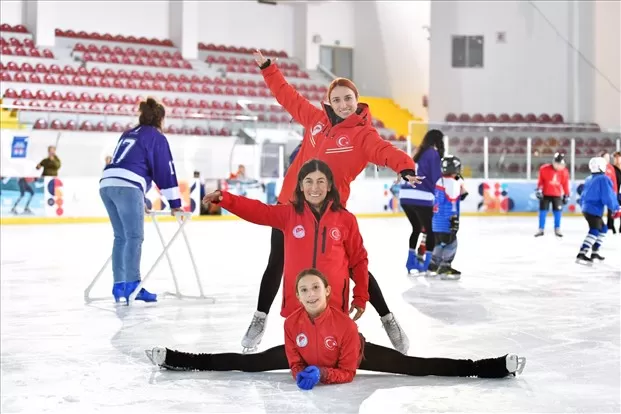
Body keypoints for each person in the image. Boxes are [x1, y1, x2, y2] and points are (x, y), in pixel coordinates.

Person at [238, 50, 423, 355]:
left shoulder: (363, 135)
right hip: (293, 206)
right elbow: (288, 96)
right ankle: (259, 320)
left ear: (357, 99)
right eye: (336, 99)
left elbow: (384, 151)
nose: (343, 104)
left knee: (353, 266)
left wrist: (404, 166)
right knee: (277, 262)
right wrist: (268, 69)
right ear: (329, 102)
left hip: (331, 212)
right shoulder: (315, 121)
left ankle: (388, 318)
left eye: (348, 98)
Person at [145, 268, 527, 387]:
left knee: (418, 366)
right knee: (245, 364)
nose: (310, 294)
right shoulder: (292, 320)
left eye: (316, 288)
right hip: (308, 356)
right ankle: (177, 358)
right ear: (296, 295)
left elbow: (347, 371)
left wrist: (321, 374)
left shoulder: (343, 324)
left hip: (351, 353)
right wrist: (298, 372)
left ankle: (490, 366)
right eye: (303, 290)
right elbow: (293, 354)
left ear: (328, 291)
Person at [202, 159, 370, 321]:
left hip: (333, 304)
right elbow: (258, 211)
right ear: (301, 186)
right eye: (308, 181)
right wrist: (226, 199)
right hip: (297, 304)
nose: (315, 188)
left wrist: (361, 296)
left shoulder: (345, 220)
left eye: (320, 181)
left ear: (330, 185)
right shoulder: (289, 215)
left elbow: (359, 261)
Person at [99, 97, 184, 303]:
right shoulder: (156, 137)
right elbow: (165, 171)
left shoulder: (129, 133)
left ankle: (119, 286)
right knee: (134, 237)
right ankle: (133, 285)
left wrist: (142, 200)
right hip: (128, 187)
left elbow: (131, 164)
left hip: (106, 183)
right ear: (160, 120)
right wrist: (175, 204)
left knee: (120, 237)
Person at [399, 129, 444, 273]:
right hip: (421, 196)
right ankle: (425, 264)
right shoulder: (433, 153)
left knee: (416, 228)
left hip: (405, 196)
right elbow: (436, 176)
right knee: (429, 231)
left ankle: (410, 261)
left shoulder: (416, 152)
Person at [575, 157, 620, 265]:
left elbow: (583, 193)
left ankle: (595, 252)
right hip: (593, 209)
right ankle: (582, 253)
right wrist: (615, 207)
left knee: (603, 228)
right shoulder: (603, 179)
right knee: (595, 230)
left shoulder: (589, 178)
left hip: (587, 208)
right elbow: (608, 196)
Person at [430, 155, 468, 279]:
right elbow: (454, 200)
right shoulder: (453, 183)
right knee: (451, 243)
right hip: (446, 220)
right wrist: (453, 220)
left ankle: (434, 264)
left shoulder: (439, 180)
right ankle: (445, 265)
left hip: (436, 221)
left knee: (439, 243)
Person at [534, 152, 570, 237]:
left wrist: (566, 194)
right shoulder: (544, 169)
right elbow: (540, 181)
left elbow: (565, 184)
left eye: (560, 164)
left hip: (557, 195)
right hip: (545, 194)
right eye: (557, 164)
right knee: (543, 211)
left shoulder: (564, 172)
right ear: (553, 162)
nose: (558, 166)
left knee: (558, 212)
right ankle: (541, 229)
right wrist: (538, 189)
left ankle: (557, 228)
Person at [600, 151, 619, 234]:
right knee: (599, 209)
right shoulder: (598, 166)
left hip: (610, 192)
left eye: (608, 157)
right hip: (601, 191)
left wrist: (615, 191)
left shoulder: (611, 167)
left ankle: (610, 225)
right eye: (605, 157)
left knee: (610, 210)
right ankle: (599, 225)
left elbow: (614, 180)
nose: (607, 159)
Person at [610, 152, 621, 233]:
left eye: (618, 157)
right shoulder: (611, 169)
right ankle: (611, 226)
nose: (616, 159)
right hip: (614, 193)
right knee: (612, 210)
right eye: (615, 157)